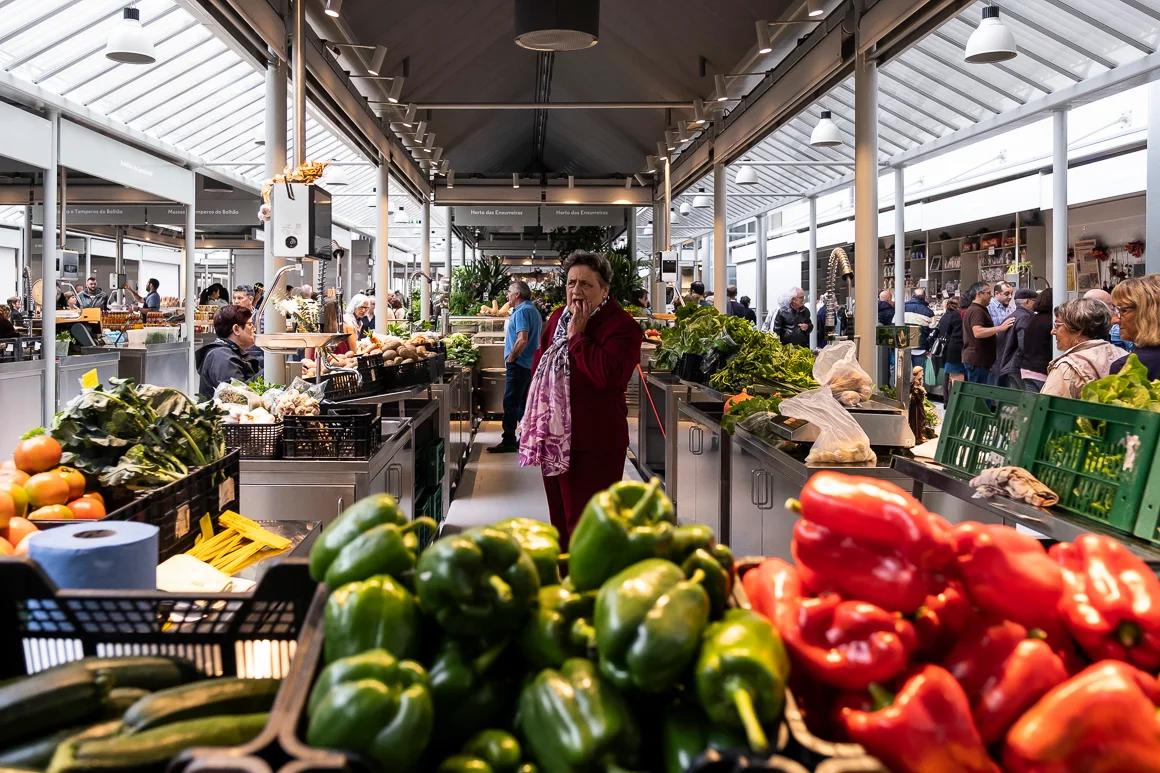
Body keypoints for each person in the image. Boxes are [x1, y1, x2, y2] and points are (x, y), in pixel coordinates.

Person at [523, 252, 642, 543]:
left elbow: (608, 376)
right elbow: (539, 363)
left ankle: (587, 573)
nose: (576, 290)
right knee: (560, 524)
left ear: (605, 289)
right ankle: (565, 571)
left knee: (587, 529)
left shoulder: (622, 326)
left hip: (594, 444)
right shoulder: (557, 318)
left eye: (586, 284)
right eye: (571, 283)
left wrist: (577, 337)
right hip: (554, 439)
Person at [489, 281, 543, 453]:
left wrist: (511, 358)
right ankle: (528, 437)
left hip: (519, 364)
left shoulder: (522, 311)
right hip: (528, 364)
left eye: (509, 292)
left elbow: (522, 339)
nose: (507, 295)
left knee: (511, 403)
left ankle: (509, 440)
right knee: (522, 403)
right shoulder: (533, 310)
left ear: (517, 294)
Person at [1041, 299, 1122, 398]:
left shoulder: (1067, 368)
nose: (1053, 331)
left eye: (1057, 325)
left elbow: (1046, 405)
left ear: (1078, 329)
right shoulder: (1123, 355)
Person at [195, 305, 259, 399]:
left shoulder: (228, 353)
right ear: (236, 329)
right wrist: (266, 372)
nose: (254, 329)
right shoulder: (222, 357)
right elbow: (236, 397)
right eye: (250, 324)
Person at [961, 281, 1015, 384]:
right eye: (988, 293)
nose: (991, 296)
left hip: (980, 360)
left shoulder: (978, 309)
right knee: (979, 391)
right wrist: (1000, 328)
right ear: (979, 294)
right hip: (978, 361)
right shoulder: (977, 311)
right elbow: (978, 332)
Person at [1110, 275, 1160, 379]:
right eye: (1116, 310)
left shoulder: (1128, 368)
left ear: (1149, 313)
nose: (1115, 320)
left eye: (1123, 310)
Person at [994, 288, 1038, 389]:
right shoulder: (1025, 317)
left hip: (1005, 365)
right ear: (1027, 301)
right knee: (1019, 396)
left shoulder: (1011, 316)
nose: (1037, 304)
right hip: (1015, 367)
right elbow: (1024, 345)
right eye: (1035, 301)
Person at [1019, 289, 1054, 392]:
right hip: (1043, 369)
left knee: (1031, 401)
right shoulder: (1052, 322)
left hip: (1027, 368)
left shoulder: (1031, 319)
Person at [936, 296, 965, 392]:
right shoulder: (957, 316)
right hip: (956, 351)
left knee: (947, 376)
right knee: (957, 378)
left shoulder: (945, 316)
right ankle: (953, 400)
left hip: (947, 349)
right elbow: (959, 335)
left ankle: (946, 399)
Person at [904, 288, 935, 367]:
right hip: (920, 347)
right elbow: (933, 332)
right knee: (918, 372)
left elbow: (894, 324)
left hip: (903, 345)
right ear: (924, 297)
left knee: (901, 372)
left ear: (912, 296)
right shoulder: (929, 312)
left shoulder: (902, 308)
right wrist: (928, 347)